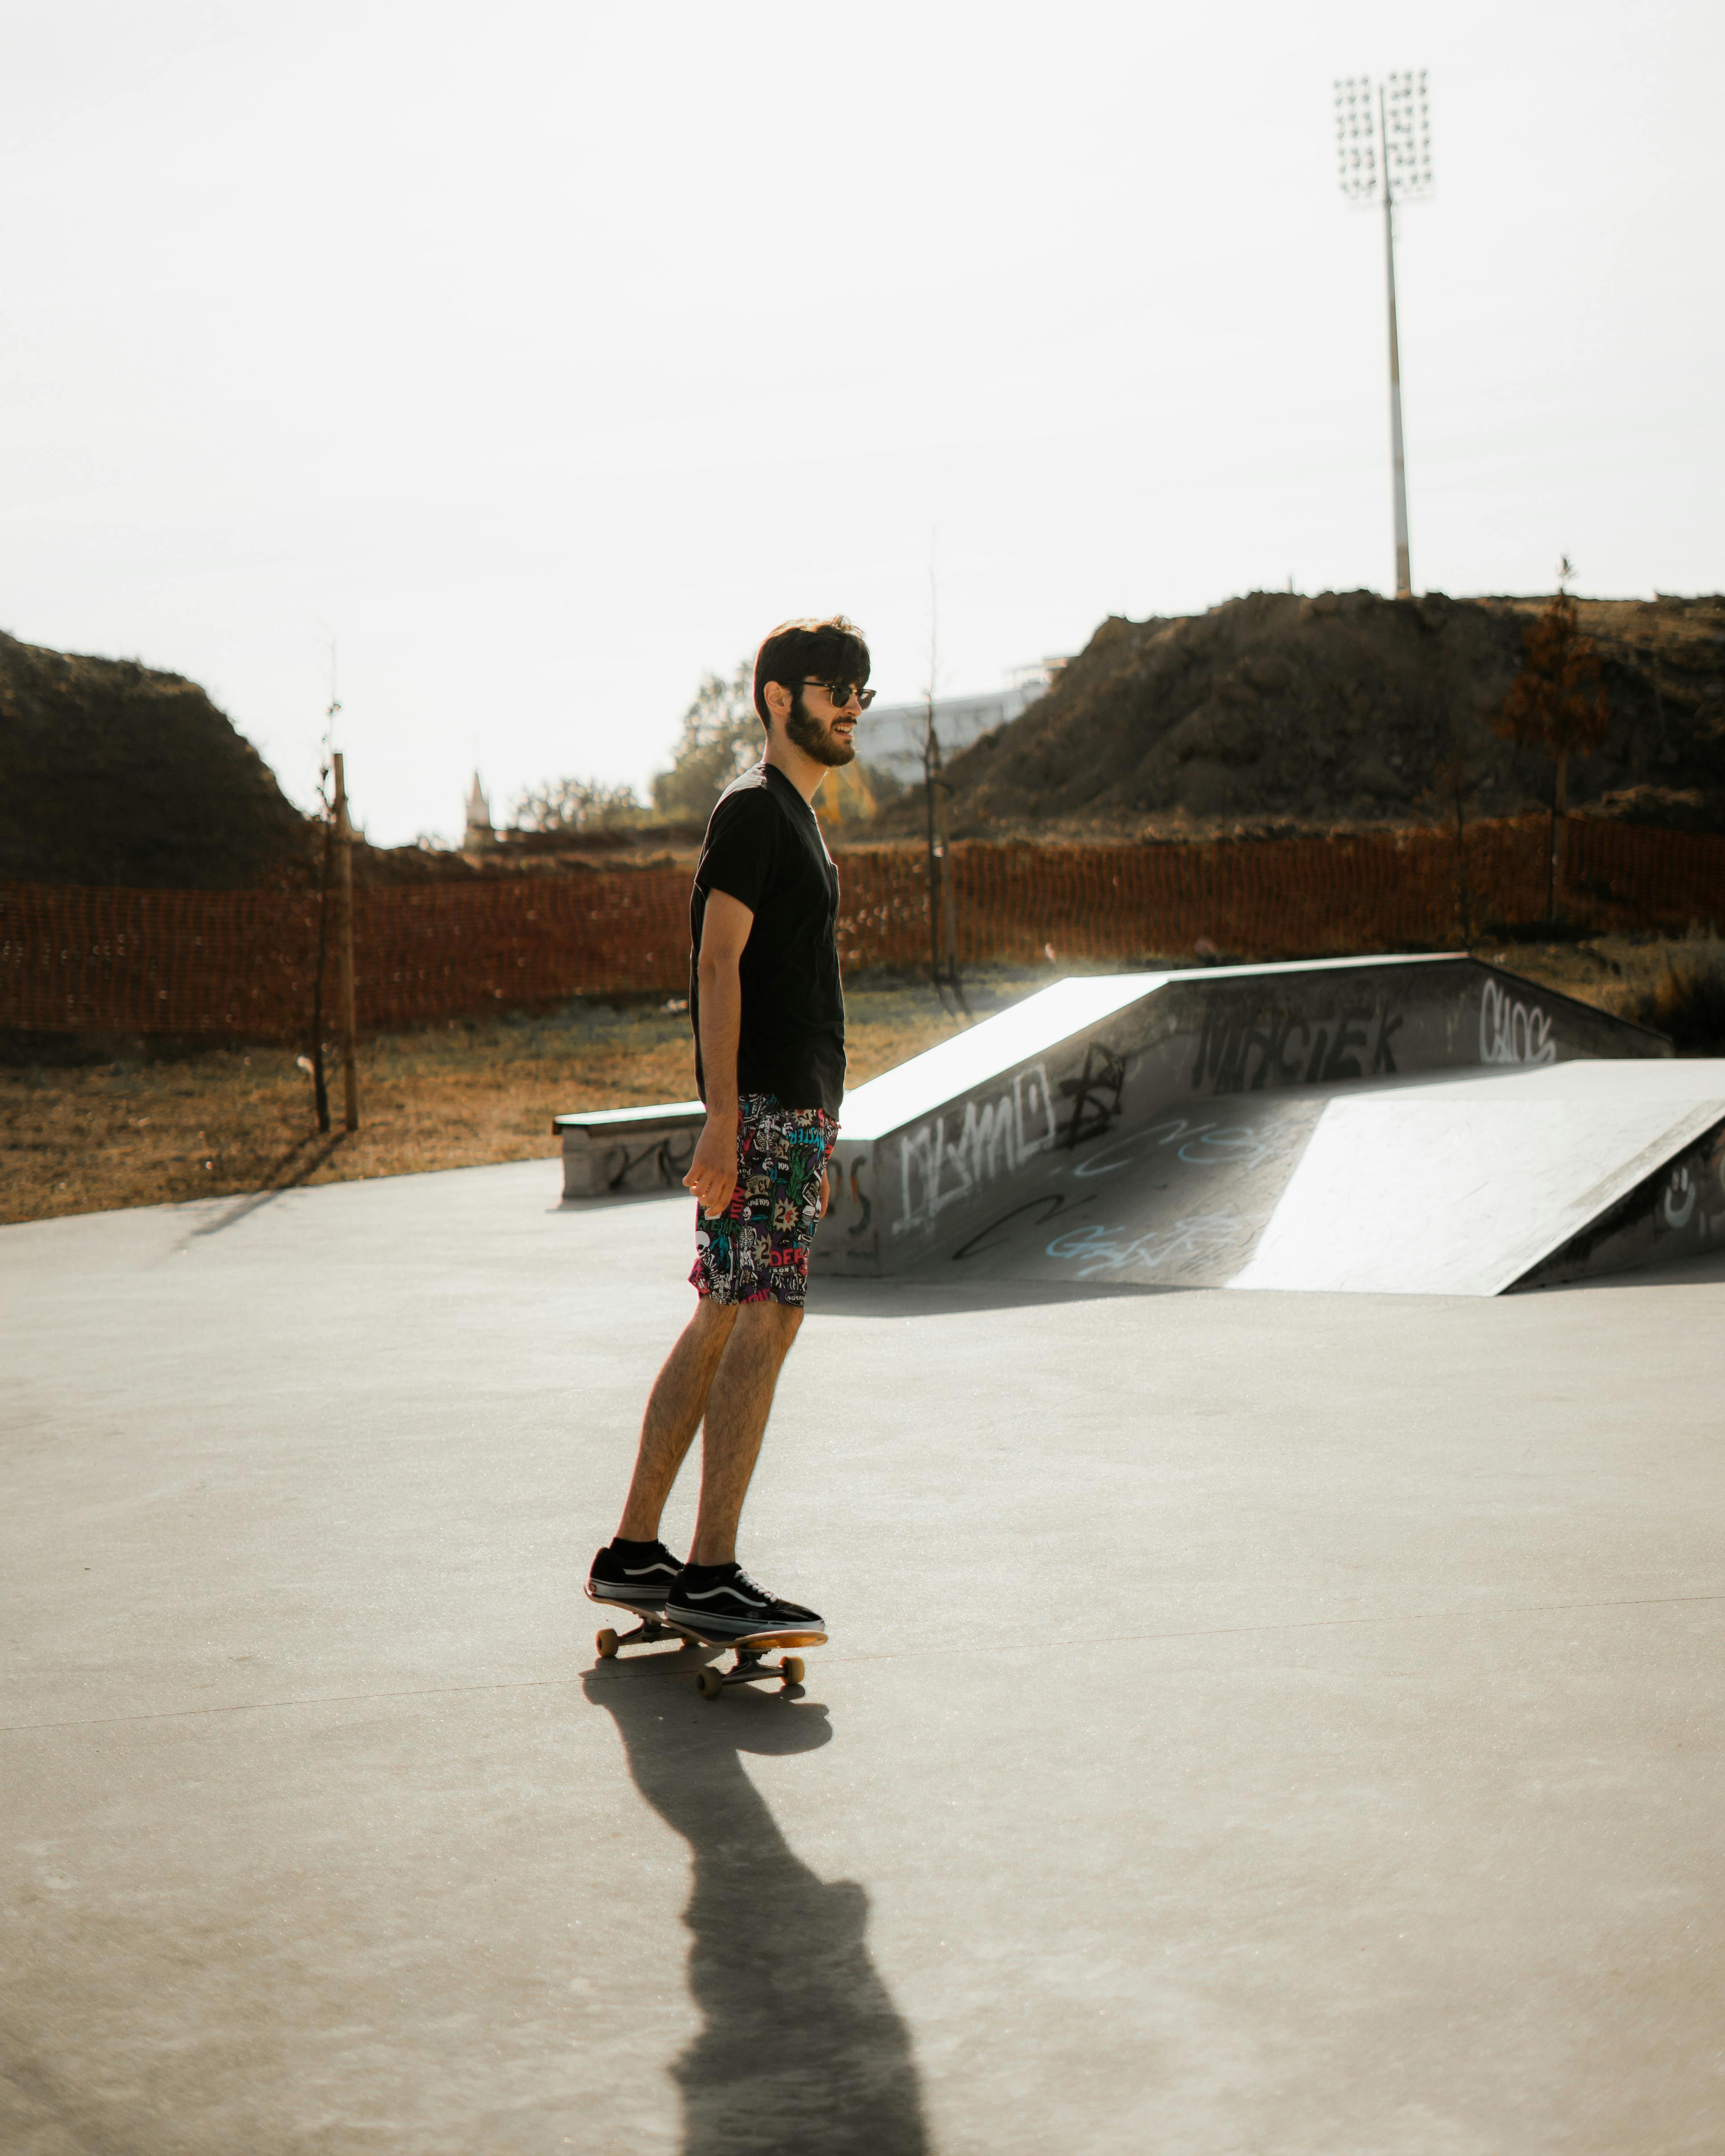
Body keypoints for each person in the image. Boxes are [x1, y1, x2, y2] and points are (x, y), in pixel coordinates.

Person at [586, 617, 873, 1638]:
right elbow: (715, 962)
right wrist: (723, 1116)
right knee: (764, 1313)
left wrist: (813, 1134)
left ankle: (634, 1550)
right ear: (776, 697)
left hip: (784, 1118)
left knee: (724, 1311)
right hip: (756, 1112)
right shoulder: (756, 811)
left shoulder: (794, 817)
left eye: (860, 692)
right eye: (833, 687)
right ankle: (709, 1570)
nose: (850, 704)